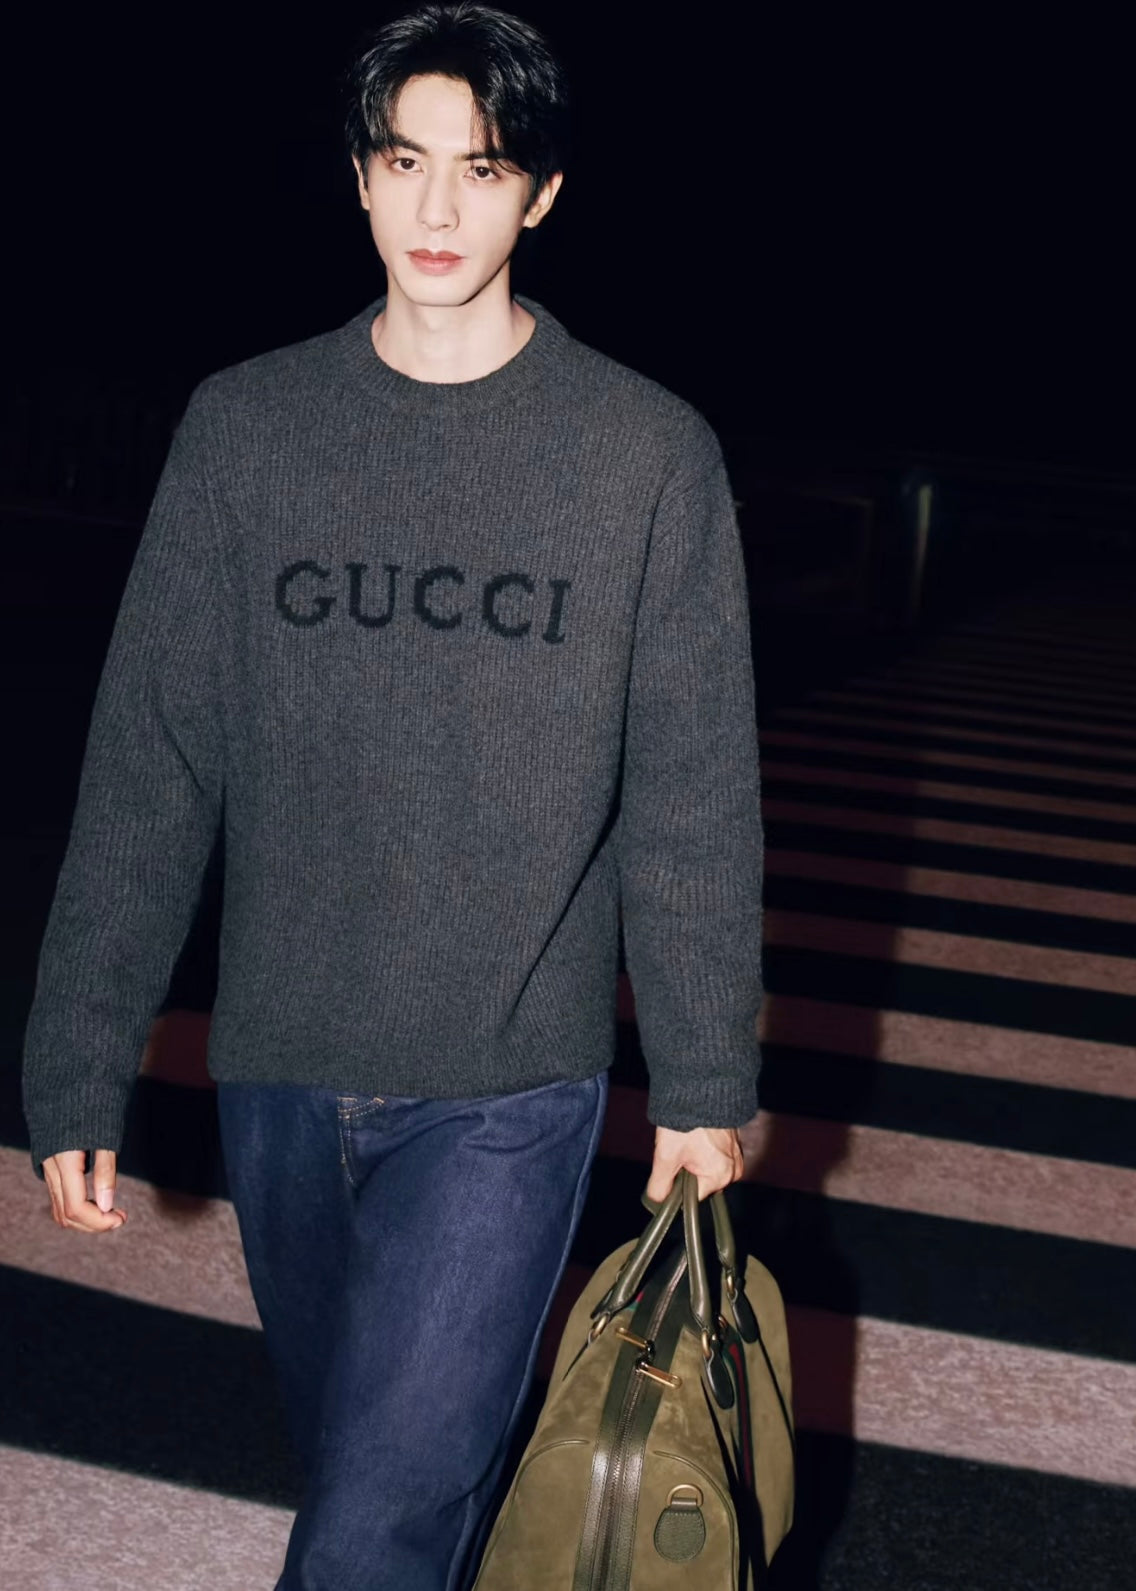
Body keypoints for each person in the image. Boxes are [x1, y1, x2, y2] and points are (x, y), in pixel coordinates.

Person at [21, 5, 764, 1587]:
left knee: (377, 1527)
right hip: (283, 1060)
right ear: (357, 176)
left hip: (508, 1082)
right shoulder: (248, 431)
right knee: (376, 1469)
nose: (437, 207)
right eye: (404, 161)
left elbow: (692, 794)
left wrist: (705, 1081)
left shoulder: (643, 456)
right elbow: (154, 758)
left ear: (541, 193)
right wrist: (80, 1050)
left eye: (481, 169)